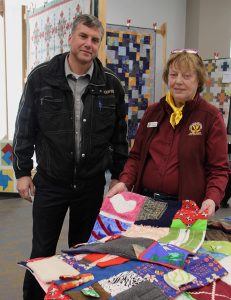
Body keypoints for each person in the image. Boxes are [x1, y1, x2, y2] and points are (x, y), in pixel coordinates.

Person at [13, 14, 128, 300]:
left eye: (94, 40)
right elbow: (24, 128)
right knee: (41, 254)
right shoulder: (41, 78)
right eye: (83, 37)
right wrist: (23, 171)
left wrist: (119, 176)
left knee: (84, 255)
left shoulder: (111, 85)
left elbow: (119, 137)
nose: (88, 44)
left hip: (90, 186)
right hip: (51, 183)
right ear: (70, 37)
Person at [107, 49, 229, 218]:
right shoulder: (153, 112)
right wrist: (125, 182)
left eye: (186, 76)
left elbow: (218, 169)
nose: (178, 81)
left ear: (198, 80)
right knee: (144, 244)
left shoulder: (210, 117)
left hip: (187, 209)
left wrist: (212, 199)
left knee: (178, 245)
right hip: (147, 203)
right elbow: (136, 157)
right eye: (173, 75)